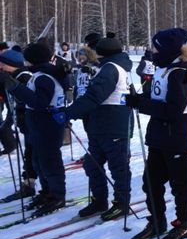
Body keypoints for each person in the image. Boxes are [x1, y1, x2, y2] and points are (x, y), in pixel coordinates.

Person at [124, 28, 187, 239]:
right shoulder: (163, 69)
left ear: (168, 49)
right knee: (151, 182)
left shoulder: (179, 72)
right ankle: (157, 220)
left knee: (179, 184)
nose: (152, 51)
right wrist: (139, 97)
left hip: (176, 136)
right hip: (159, 135)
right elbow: (156, 96)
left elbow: (174, 109)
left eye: (156, 47)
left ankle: (184, 223)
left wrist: (142, 104)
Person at [54, 35, 133, 220]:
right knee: (93, 164)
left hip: (112, 125)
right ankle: (99, 200)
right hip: (101, 124)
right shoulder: (109, 66)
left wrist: (69, 113)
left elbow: (94, 96)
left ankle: (122, 203)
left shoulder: (111, 68)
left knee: (118, 167)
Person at [0, 43, 69, 217]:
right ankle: (47, 192)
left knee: (49, 160)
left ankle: (57, 195)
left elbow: (40, 102)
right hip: (38, 122)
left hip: (47, 122)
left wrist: (15, 87)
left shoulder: (44, 76)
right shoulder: (40, 74)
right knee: (38, 160)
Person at [0, 50, 35, 202]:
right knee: (29, 153)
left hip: (32, 121)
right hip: (21, 120)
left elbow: (30, 98)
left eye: (2, 63)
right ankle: (28, 185)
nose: (0, 66)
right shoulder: (11, 76)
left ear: (11, 65)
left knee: (34, 154)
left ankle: (44, 190)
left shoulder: (24, 76)